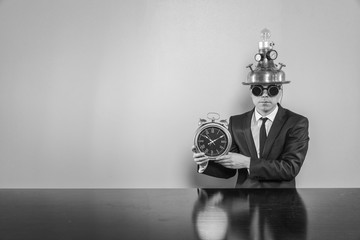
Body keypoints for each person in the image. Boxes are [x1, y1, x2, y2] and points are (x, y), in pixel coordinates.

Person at [192, 30, 309, 188]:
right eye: (258, 90)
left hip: (282, 204)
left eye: (272, 90)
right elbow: (229, 170)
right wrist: (206, 162)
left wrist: (247, 162)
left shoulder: (296, 122)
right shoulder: (236, 122)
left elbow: (290, 168)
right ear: (251, 92)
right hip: (244, 204)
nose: (265, 96)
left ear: (280, 91)